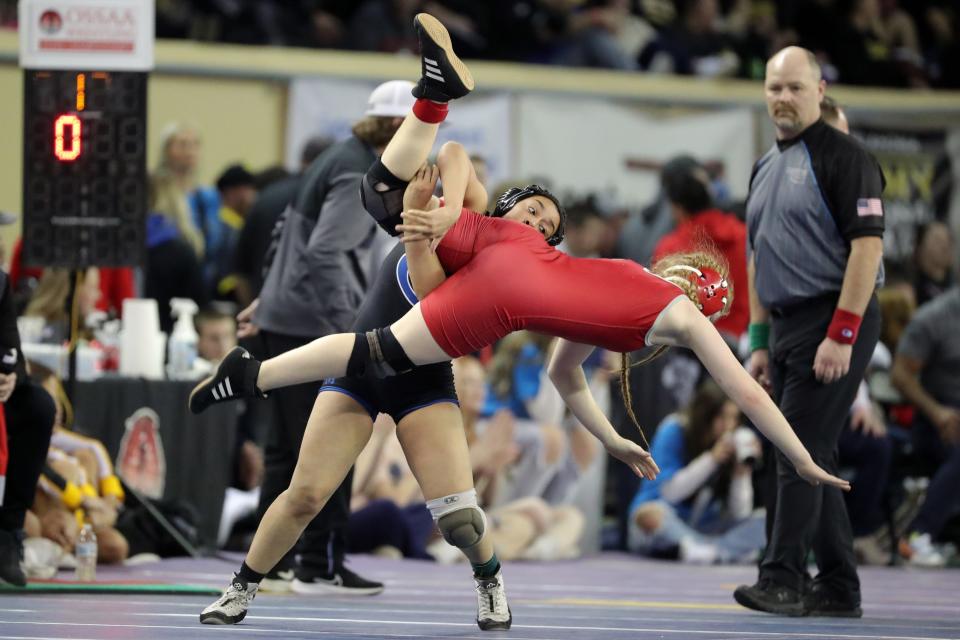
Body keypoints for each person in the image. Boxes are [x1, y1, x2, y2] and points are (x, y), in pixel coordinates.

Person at [197, 13, 565, 629]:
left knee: (458, 518)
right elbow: (451, 153)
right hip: (362, 373)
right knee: (305, 495)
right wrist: (439, 217)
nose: (538, 226)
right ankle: (241, 587)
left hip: (420, 380)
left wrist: (422, 231)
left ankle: (491, 580)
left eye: (549, 230)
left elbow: (427, 289)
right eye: (533, 212)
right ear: (506, 207)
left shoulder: (503, 276)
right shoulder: (470, 211)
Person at [230, 79, 422, 597]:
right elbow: (323, 251)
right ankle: (321, 562)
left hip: (287, 315)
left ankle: (277, 564)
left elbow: (290, 239)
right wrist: (351, 325)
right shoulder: (359, 169)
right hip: (313, 322)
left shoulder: (340, 156)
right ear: (402, 128)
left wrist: (267, 300)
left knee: (287, 450)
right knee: (331, 442)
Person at [736, 47, 885, 618]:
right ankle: (840, 587)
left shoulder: (846, 158)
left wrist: (842, 333)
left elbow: (867, 250)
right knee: (807, 451)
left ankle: (784, 580)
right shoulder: (765, 164)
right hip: (787, 324)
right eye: (774, 88)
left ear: (819, 90)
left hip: (833, 317)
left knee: (797, 450)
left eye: (794, 88)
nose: (782, 98)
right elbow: (757, 258)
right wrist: (757, 342)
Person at [628, 380, 764, 564]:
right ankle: (724, 551)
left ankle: (707, 550)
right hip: (667, 521)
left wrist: (742, 474)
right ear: (705, 414)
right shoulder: (674, 429)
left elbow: (739, 514)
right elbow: (668, 493)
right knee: (650, 514)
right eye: (722, 418)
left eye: (733, 419)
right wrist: (711, 460)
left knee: (764, 521)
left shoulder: (735, 441)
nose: (728, 426)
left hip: (703, 526)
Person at [890, 285, 960, 567]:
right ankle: (918, 535)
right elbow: (899, 375)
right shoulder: (934, 318)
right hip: (937, 419)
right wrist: (937, 412)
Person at [0, 268, 56, 586]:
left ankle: (8, 532)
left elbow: (13, 353)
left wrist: (10, 377)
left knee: (38, 406)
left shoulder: (0, 281)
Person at [651, 158, 749, 339]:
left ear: (678, 208)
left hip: (695, 345)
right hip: (743, 339)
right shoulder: (742, 234)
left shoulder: (670, 248)